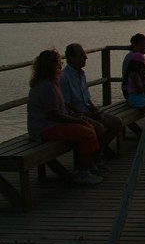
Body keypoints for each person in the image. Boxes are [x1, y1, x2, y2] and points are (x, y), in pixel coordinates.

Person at [27, 49, 103, 185]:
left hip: (51, 125)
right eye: (59, 62)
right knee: (86, 133)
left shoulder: (51, 83)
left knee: (88, 127)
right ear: (54, 65)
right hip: (42, 129)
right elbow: (54, 114)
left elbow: (61, 109)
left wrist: (75, 116)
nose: (61, 64)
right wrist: (75, 120)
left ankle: (87, 166)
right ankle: (83, 172)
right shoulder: (46, 86)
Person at [60, 43, 123, 159]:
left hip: (87, 111)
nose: (85, 58)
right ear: (71, 58)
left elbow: (87, 98)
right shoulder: (64, 78)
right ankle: (91, 159)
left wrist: (95, 109)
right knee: (98, 128)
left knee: (117, 122)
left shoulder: (81, 74)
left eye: (85, 54)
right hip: (77, 116)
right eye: (81, 55)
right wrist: (88, 114)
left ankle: (96, 154)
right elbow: (66, 105)